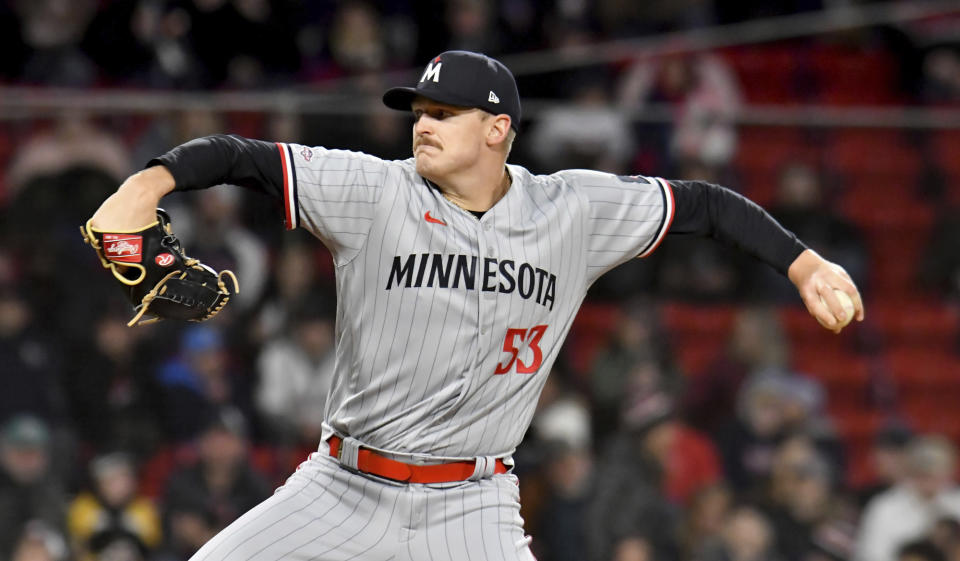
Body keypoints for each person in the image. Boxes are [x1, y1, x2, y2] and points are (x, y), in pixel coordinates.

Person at [88, 50, 863, 561]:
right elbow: (240, 157)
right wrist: (144, 184)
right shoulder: (374, 191)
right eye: (417, 110)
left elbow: (702, 203)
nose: (421, 122)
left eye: (443, 112)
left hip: (473, 503)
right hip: (344, 485)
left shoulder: (571, 209)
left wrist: (802, 261)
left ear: (498, 129)